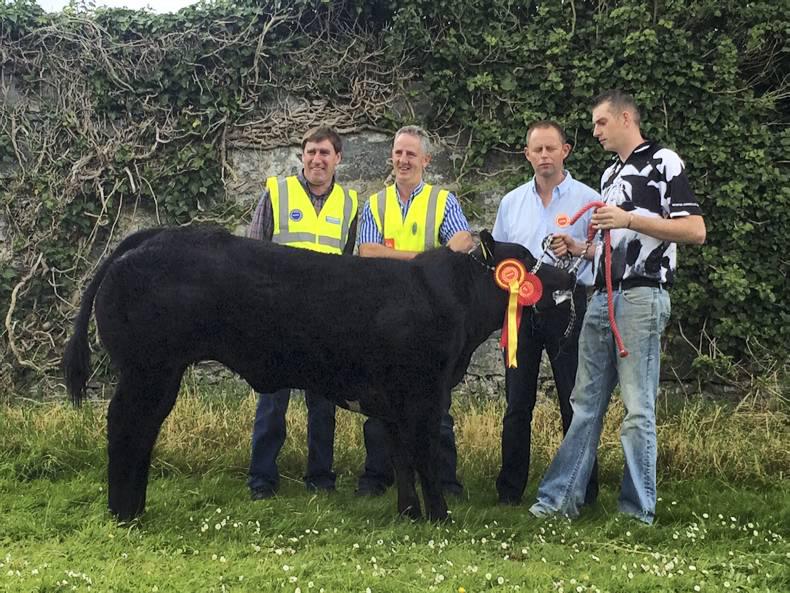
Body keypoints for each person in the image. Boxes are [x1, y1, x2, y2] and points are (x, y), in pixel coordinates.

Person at [529, 90, 706, 524]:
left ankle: (636, 512)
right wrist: (580, 248)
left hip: (643, 297)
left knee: (637, 409)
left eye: (600, 123)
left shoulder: (664, 161)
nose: (594, 131)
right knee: (584, 404)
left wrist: (629, 219)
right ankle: (557, 502)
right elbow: (615, 247)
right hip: (603, 295)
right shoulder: (611, 173)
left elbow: (695, 230)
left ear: (626, 118)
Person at [355, 124, 474, 497]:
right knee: (378, 403)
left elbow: (462, 245)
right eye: (398, 153)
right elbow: (366, 252)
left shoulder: (443, 201)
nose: (403, 160)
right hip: (382, 320)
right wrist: (425, 260)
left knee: (436, 406)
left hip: (428, 322)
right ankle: (377, 479)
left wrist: (405, 262)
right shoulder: (374, 203)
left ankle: (445, 482)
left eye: (411, 154)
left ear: (426, 159)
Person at [491, 120, 600, 506]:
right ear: (527, 155)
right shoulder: (510, 202)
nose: (544, 156)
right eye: (536, 150)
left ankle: (583, 490)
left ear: (565, 151)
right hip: (520, 312)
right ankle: (509, 491)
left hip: (568, 308)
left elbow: (602, 257)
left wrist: (577, 250)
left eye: (550, 149)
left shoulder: (589, 199)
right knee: (517, 404)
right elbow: (501, 262)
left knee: (574, 400)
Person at [247, 125, 358, 500]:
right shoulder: (277, 193)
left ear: (338, 158)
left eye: (325, 152)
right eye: (311, 152)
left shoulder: (350, 204)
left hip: (325, 322)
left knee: (323, 405)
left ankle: (320, 479)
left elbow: (351, 264)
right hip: (277, 319)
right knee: (272, 402)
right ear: (302, 156)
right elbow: (252, 254)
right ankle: (262, 479)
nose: (317, 159)